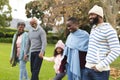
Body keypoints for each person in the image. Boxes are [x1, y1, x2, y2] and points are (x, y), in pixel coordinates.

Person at [84, 5, 120, 80]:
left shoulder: (109, 30)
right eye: (89, 15)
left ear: (100, 16)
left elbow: (116, 50)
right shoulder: (93, 28)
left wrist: (100, 66)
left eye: (92, 14)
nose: (90, 17)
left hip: (100, 71)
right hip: (87, 68)